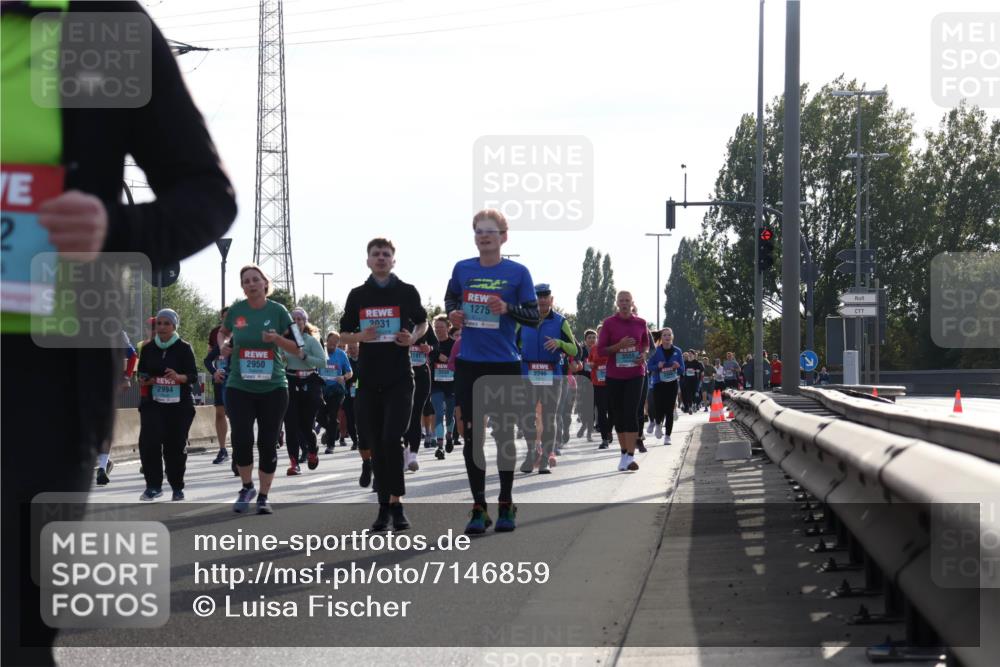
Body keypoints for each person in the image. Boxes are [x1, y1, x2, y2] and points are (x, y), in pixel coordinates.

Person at [1, 3, 237, 663]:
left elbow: (206, 195)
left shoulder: (103, 23)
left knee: (15, 625)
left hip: (42, 375)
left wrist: (113, 229)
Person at [445, 209, 538, 534]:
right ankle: (478, 506)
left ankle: (506, 502)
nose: (484, 236)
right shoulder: (462, 268)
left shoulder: (518, 273)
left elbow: (532, 316)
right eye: (479, 231)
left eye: (491, 231)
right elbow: (450, 298)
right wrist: (454, 314)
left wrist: (507, 308)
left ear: (503, 236)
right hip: (470, 363)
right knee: (472, 437)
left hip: (504, 363)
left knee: (502, 435)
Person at [340, 238, 426, 532]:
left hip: (400, 379)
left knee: (392, 439)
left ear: (393, 260)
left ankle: (397, 505)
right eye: (375, 254)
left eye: (385, 254)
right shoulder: (357, 295)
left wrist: (413, 337)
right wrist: (360, 337)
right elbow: (343, 334)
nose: (380, 258)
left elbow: (422, 322)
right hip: (369, 380)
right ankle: (383, 508)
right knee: (375, 443)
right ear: (368, 260)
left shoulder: (406, 291)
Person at [216, 265, 299, 515]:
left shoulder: (279, 311)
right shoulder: (236, 311)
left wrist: (277, 340)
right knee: (241, 438)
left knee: (267, 441)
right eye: (246, 281)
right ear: (242, 287)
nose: (251, 284)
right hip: (239, 385)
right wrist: (224, 345)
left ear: (265, 283)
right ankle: (246, 486)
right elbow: (222, 332)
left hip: (273, 387)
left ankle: (264, 496)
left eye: (255, 279)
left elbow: (298, 344)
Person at [136, 309, 197, 501]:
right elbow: (142, 373)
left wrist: (179, 377)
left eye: (166, 324)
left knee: (174, 447)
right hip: (153, 404)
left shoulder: (184, 347)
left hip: (179, 407)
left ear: (174, 326)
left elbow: (193, 376)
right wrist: (147, 379)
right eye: (158, 324)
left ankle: (177, 486)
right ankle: (153, 486)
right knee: (149, 444)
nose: (161, 327)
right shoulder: (147, 348)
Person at [517, 284, 577, 474]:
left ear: (552, 300)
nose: (542, 300)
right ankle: (531, 453)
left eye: (546, 296)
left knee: (549, 417)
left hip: (552, 375)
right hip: (528, 374)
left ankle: (544, 458)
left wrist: (559, 343)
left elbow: (575, 349)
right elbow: (512, 343)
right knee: (526, 417)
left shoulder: (560, 322)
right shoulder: (523, 320)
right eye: (538, 296)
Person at [596, 291, 650, 471]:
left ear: (632, 302)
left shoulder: (641, 323)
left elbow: (645, 344)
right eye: (621, 301)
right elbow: (601, 350)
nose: (625, 303)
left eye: (627, 300)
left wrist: (643, 355)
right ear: (617, 303)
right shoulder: (609, 323)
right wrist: (619, 346)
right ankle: (623, 453)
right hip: (615, 375)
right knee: (618, 415)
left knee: (632, 412)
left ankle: (630, 456)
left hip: (636, 373)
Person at [282, 308, 327, 475]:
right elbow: (276, 358)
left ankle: (312, 451)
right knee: (291, 425)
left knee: (306, 425)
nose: (297, 321)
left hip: (309, 383)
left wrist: (305, 357)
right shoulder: (285, 340)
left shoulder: (311, 340)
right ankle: (294, 463)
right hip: (290, 381)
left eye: (300, 319)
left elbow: (322, 362)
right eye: (293, 319)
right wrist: (281, 358)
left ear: (305, 322)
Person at [403, 326, 434, 472]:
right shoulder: (398, 319)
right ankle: (405, 452)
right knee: (402, 417)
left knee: (415, 415)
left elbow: (436, 345)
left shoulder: (424, 325)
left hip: (421, 375)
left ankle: (413, 455)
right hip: (401, 376)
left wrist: (430, 348)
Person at [648, 328, 684, 445]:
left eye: (669, 335)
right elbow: (649, 367)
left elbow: (682, 370)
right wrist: (658, 366)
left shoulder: (678, 351)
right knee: (659, 408)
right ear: (661, 338)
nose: (667, 337)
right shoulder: (655, 351)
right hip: (658, 383)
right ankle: (658, 424)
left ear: (672, 337)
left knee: (669, 409)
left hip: (672, 383)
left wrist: (677, 367)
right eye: (665, 335)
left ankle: (668, 436)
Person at [204, 307, 231, 464]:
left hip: (237, 381)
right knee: (220, 414)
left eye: (230, 317)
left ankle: (240, 449)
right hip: (221, 379)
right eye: (224, 317)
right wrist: (214, 372)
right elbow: (209, 357)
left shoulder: (242, 333)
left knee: (236, 416)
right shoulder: (215, 332)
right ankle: (223, 449)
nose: (227, 320)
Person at [428, 315, 456, 460]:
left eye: (441, 327)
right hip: (436, 384)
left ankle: (450, 436)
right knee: (439, 413)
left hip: (451, 384)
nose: (438, 330)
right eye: (436, 327)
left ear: (448, 327)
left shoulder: (455, 344)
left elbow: (461, 362)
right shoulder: (432, 344)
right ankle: (440, 446)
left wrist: (450, 360)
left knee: (450, 414)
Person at [319, 331, 353, 452]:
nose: (333, 344)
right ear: (327, 341)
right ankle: (334, 428)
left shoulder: (341, 354)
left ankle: (330, 445)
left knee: (333, 415)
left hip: (337, 389)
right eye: (331, 341)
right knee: (319, 415)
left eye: (336, 342)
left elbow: (350, 373)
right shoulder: (320, 352)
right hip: (322, 389)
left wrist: (343, 377)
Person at [588, 331, 612, 448]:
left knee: (612, 411)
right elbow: (589, 362)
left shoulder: (612, 347)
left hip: (612, 383)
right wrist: (592, 364)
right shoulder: (594, 348)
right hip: (598, 383)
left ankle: (609, 430)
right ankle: (604, 439)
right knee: (601, 412)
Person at [575, 329, 598, 441]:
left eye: (594, 337)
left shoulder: (599, 350)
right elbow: (577, 363)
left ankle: (589, 432)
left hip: (596, 381)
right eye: (589, 337)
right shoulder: (581, 351)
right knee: (583, 407)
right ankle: (584, 424)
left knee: (592, 407)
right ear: (585, 340)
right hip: (583, 381)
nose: (592, 340)